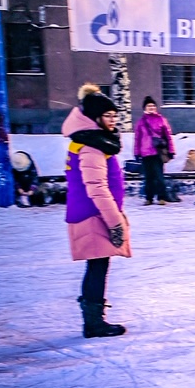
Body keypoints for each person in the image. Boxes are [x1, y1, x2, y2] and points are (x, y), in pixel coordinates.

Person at [63, 84, 130, 338]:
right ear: (95, 118)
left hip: (92, 214)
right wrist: (115, 223)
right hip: (94, 215)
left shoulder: (90, 141)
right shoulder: (91, 147)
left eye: (115, 115)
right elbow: (97, 188)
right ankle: (93, 322)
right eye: (108, 116)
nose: (113, 121)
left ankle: (93, 318)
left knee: (97, 266)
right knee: (97, 267)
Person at [133, 96, 176, 206]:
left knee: (159, 176)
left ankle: (161, 197)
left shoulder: (161, 120)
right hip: (145, 153)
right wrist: (137, 153)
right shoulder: (141, 122)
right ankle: (149, 198)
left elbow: (168, 136)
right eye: (149, 106)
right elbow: (137, 138)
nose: (151, 107)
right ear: (144, 108)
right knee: (148, 178)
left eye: (153, 105)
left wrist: (171, 150)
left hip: (158, 153)